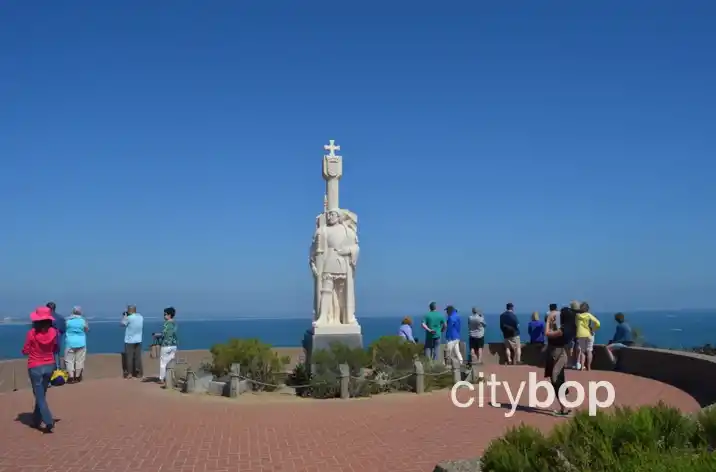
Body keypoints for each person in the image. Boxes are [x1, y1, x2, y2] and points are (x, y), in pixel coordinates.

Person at [22, 307, 59, 433]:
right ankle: (36, 419)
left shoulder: (32, 333)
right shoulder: (54, 332)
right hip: (49, 365)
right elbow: (55, 347)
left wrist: (26, 351)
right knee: (41, 394)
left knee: (39, 396)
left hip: (35, 366)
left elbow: (26, 350)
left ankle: (48, 421)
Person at [544, 307, 572, 417]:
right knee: (558, 380)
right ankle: (563, 407)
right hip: (557, 356)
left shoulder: (562, 331)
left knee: (556, 381)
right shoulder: (564, 328)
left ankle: (564, 408)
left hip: (556, 356)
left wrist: (548, 321)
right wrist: (552, 322)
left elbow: (547, 333)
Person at [64, 306, 89, 383]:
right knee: (80, 360)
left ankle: (71, 377)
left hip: (70, 343)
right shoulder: (83, 321)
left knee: (69, 360)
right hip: (81, 343)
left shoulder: (68, 320)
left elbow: (64, 328)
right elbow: (87, 329)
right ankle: (78, 377)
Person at [121, 305, 144, 379]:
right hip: (138, 340)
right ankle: (139, 373)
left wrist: (125, 316)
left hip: (129, 340)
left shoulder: (129, 318)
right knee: (138, 357)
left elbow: (122, 324)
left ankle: (129, 373)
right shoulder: (140, 317)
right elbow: (137, 315)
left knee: (129, 357)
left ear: (129, 311)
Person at [575, 302, 600, 371]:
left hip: (581, 334)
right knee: (589, 350)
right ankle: (589, 367)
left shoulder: (578, 316)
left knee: (582, 351)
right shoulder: (589, 315)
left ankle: (582, 367)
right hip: (589, 333)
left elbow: (576, 324)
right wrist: (593, 329)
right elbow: (598, 323)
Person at [157, 307, 178, 385]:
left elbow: (165, 334)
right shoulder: (175, 323)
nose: (164, 316)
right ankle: (171, 378)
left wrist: (157, 335)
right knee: (171, 362)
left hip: (166, 345)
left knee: (163, 362)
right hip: (174, 345)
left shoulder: (167, 323)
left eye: (165, 314)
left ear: (169, 315)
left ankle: (162, 378)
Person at [46, 302, 66, 368]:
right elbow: (63, 330)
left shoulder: (45, 318)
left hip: (46, 341)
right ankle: (58, 372)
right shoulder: (61, 318)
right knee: (56, 355)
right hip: (57, 340)